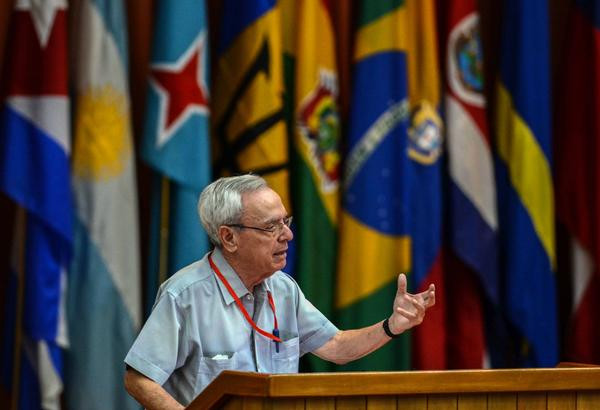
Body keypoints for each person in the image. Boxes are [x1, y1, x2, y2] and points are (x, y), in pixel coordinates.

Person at [124, 174, 435, 410]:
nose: (288, 235)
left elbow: (337, 346)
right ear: (229, 237)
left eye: (286, 221)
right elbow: (138, 378)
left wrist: (392, 325)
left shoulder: (283, 288)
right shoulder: (184, 295)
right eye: (271, 227)